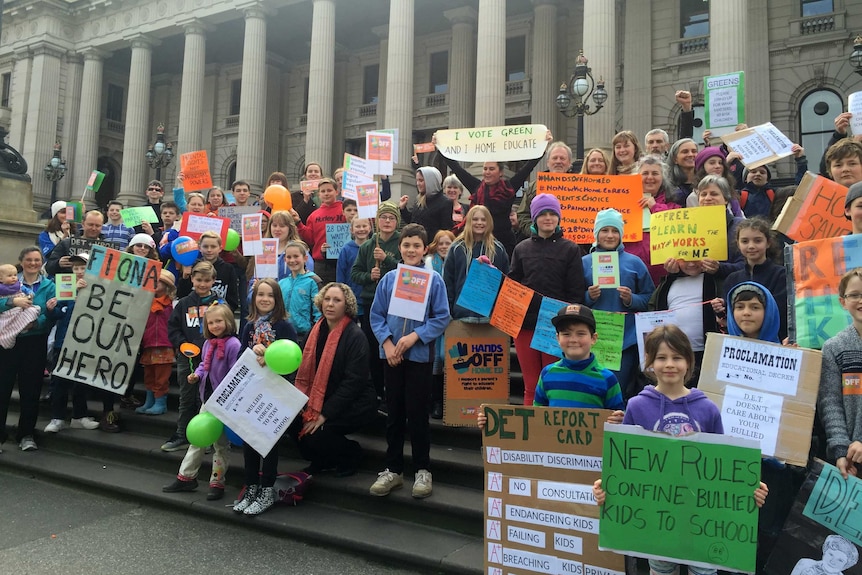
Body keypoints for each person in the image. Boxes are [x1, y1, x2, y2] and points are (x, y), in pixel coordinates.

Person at [592, 325, 768, 575]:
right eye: (661, 358)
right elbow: (624, 466)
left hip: (702, 518)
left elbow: (723, 467)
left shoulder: (708, 409)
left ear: (689, 361)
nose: (669, 364)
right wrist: (606, 487)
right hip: (656, 519)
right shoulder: (637, 406)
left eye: (677, 357)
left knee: (704, 572)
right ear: (650, 363)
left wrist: (747, 490)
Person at [723, 281, 799, 574]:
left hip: (773, 465)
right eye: (739, 307)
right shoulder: (721, 352)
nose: (746, 313)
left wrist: (796, 362)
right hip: (731, 465)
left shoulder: (790, 355)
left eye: (755, 307)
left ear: (768, 312)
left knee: (765, 536)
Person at [369, 223, 450, 499]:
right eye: (406, 245)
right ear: (400, 248)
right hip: (391, 357)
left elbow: (441, 317)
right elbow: (376, 315)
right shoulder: (390, 279)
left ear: (424, 248)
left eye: (417, 245)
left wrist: (415, 336)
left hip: (419, 357)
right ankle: (393, 469)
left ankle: (422, 470)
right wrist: (389, 343)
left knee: (417, 414)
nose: (411, 250)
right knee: (394, 414)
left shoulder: (434, 280)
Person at [477, 305, 624, 429]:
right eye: (566, 334)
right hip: (554, 458)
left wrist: (619, 420)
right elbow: (536, 417)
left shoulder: (607, 379)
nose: (573, 339)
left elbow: (619, 418)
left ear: (593, 338)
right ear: (557, 338)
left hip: (592, 459)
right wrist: (491, 422)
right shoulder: (548, 374)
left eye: (581, 334)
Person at [290, 282, 376, 479]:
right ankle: (323, 460)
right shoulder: (315, 330)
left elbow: (353, 383)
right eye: (327, 299)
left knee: (318, 432)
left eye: (337, 300)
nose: (330, 304)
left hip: (355, 402)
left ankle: (351, 453)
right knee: (293, 425)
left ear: (346, 305)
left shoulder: (355, 336)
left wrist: (324, 414)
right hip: (322, 397)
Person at [509, 194, 586, 406]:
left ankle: (552, 435)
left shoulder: (570, 249)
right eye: (543, 214)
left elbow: (576, 291)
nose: (548, 218)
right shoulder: (521, 248)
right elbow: (512, 287)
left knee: (554, 382)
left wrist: (567, 323)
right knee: (531, 385)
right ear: (534, 218)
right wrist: (488, 270)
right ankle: (532, 436)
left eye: (553, 213)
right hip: (525, 326)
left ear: (559, 218)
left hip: (555, 327)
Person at [233, 278, 299, 515]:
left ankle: (267, 489)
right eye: (260, 294)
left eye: (270, 295)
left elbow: (292, 359)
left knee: (268, 443)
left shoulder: (284, 326)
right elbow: (241, 353)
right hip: (252, 390)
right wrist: (252, 352)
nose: (264, 299)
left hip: (274, 393)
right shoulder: (249, 326)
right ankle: (251, 486)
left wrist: (270, 355)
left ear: (277, 299)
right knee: (249, 441)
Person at [162, 304, 241, 501]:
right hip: (207, 399)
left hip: (224, 402)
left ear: (229, 322)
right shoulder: (207, 344)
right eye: (211, 322)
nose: (215, 326)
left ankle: (217, 482)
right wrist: (196, 375)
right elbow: (204, 366)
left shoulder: (233, 344)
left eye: (219, 321)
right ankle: (186, 477)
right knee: (198, 439)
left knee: (221, 445)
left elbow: (235, 372)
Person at [438, 131, 551, 255]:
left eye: (491, 169)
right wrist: (440, 147)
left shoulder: (509, 187)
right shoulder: (477, 187)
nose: (487, 172)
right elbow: (457, 168)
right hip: (480, 243)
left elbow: (528, 167)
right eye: (485, 169)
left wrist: (543, 144)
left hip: (504, 244)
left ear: (500, 172)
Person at [582, 209, 655, 400]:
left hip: (625, 342)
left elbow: (650, 298)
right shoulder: (583, 262)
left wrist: (632, 300)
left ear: (621, 234)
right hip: (593, 340)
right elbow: (572, 299)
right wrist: (588, 296)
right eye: (604, 230)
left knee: (618, 394)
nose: (610, 235)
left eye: (614, 231)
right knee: (591, 391)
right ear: (596, 234)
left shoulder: (635, 262)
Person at [0, 247, 58, 452]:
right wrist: (11, 302)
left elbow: (51, 313)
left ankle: (26, 434)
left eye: (36, 260)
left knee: (31, 390)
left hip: (34, 342)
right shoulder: (7, 280)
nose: (33, 263)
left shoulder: (49, 286)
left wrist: (36, 322)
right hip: (8, 342)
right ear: (21, 261)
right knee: (2, 389)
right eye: (29, 260)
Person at [162, 260, 219, 453]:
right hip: (187, 358)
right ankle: (182, 433)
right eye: (199, 279)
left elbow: (226, 329)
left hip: (212, 359)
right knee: (186, 397)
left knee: (207, 399)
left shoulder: (219, 305)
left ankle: (209, 437)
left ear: (213, 281)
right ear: (192, 279)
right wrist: (181, 343)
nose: (202, 284)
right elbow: (173, 328)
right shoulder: (183, 303)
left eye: (206, 280)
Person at [351, 201, 402, 409]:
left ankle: (394, 391)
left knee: (393, 347)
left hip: (396, 302)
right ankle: (378, 392)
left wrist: (386, 261)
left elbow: (406, 269)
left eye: (391, 218)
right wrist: (368, 275)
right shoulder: (367, 246)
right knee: (374, 348)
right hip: (372, 302)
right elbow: (355, 273)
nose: (387, 221)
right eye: (384, 217)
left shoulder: (402, 242)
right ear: (377, 221)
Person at [43, 253, 101, 433]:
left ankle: (79, 416)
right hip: (63, 340)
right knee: (60, 381)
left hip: (86, 342)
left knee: (81, 381)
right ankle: (57, 418)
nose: (79, 272)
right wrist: (52, 309)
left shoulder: (98, 287)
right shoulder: (66, 284)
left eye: (83, 268)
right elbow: (59, 313)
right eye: (75, 268)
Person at [818, 267, 862, 481]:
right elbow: (830, 402)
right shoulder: (834, 347)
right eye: (854, 295)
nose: (861, 300)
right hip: (853, 461)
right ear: (843, 302)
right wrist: (841, 449)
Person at [724, 218, 788, 341]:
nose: (751, 246)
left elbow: (781, 313)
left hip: (775, 343)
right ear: (738, 243)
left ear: (768, 243)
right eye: (745, 241)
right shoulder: (732, 279)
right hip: (740, 345)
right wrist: (720, 310)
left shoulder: (781, 275)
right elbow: (728, 317)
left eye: (758, 241)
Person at [443, 205, 510, 321]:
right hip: (461, 316)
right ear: (469, 221)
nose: (479, 223)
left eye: (483, 219)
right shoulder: (457, 248)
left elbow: (506, 283)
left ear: (489, 222)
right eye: (475, 219)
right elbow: (448, 282)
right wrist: (448, 312)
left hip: (490, 317)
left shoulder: (498, 249)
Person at [626, 155, 680, 285]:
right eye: (645, 173)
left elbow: (675, 229)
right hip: (630, 274)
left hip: (663, 275)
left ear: (662, 178)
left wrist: (655, 207)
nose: (650, 177)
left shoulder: (674, 207)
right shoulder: (624, 206)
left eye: (655, 173)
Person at [136, 269, 177, 416]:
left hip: (165, 345)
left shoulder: (171, 304)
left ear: (166, 285)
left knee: (161, 377)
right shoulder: (145, 303)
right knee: (149, 375)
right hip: (148, 344)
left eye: (159, 281)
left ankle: (160, 402)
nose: (155, 284)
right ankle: (150, 400)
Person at [425, 229, 455, 419]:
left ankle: (450, 401)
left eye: (448, 243)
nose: (444, 247)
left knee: (450, 359)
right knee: (435, 359)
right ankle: (436, 401)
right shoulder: (429, 263)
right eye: (441, 243)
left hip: (453, 318)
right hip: (432, 318)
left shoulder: (458, 261)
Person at [516, 140, 573, 240]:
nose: (558, 161)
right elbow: (522, 214)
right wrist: (536, 231)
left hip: (571, 243)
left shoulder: (580, 186)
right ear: (548, 162)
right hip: (540, 243)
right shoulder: (534, 186)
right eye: (555, 158)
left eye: (562, 158)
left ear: (569, 163)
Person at [692, 174, 745, 279]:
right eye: (703, 194)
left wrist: (720, 268)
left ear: (726, 199)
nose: (707, 198)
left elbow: (747, 264)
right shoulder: (688, 227)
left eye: (714, 194)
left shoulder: (740, 226)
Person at [295, 177, 344, 285]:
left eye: (329, 190)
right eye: (323, 191)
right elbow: (310, 239)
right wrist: (298, 223)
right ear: (319, 194)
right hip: (321, 264)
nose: (326, 193)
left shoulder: (345, 210)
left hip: (342, 260)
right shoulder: (313, 216)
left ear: (336, 192)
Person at [176, 230, 239, 312]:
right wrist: (185, 278)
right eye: (205, 246)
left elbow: (232, 299)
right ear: (199, 248)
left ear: (220, 248)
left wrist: (224, 313)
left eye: (213, 246)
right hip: (192, 314)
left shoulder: (228, 269)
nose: (209, 250)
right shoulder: (191, 266)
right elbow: (181, 295)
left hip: (218, 315)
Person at [277, 240, 321, 347]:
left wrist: (315, 332)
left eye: (296, 256)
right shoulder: (281, 283)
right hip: (283, 333)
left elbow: (318, 310)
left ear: (305, 258)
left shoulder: (313, 281)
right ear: (284, 259)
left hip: (304, 334)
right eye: (289, 257)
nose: (292, 260)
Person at [45, 210, 105, 277]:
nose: (94, 228)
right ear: (83, 224)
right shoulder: (67, 243)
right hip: (68, 285)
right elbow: (48, 267)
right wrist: (58, 263)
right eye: (90, 225)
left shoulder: (108, 248)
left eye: (97, 226)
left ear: (102, 226)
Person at [400, 166, 452, 242]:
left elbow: (446, 230)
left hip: (432, 248)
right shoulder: (419, 199)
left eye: (421, 180)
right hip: (418, 245)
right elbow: (412, 221)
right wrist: (403, 208)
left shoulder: (445, 202)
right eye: (417, 180)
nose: (418, 184)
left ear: (431, 182)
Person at [0, 263, 42, 350]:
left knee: (33, 310)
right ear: (1, 278)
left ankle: (20, 327)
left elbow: (29, 292)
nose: (13, 277)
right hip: (7, 313)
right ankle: (8, 336)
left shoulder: (19, 285)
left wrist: (30, 295)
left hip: (21, 310)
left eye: (15, 275)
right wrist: (13, 301)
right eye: (9, 275)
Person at [336, 217, 371, 317]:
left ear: (370, 228)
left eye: (364, 226)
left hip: (369, 297)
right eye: (358, 226)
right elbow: (341, 273)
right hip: (352, 296)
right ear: (351, 230)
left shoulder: (375, 248)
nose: (361, 229)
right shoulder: (346, 249)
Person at [791, 535, 859, 575]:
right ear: (825, 551)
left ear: (846, 565)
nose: (832, 561)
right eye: (831, 554)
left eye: (840, 560)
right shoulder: (805, 563)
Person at [667, 137, 699, 206]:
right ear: (675, 159)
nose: (690, 154)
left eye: (694, 151)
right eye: (685, 152)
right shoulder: (668, 185)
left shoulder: (704, 181)